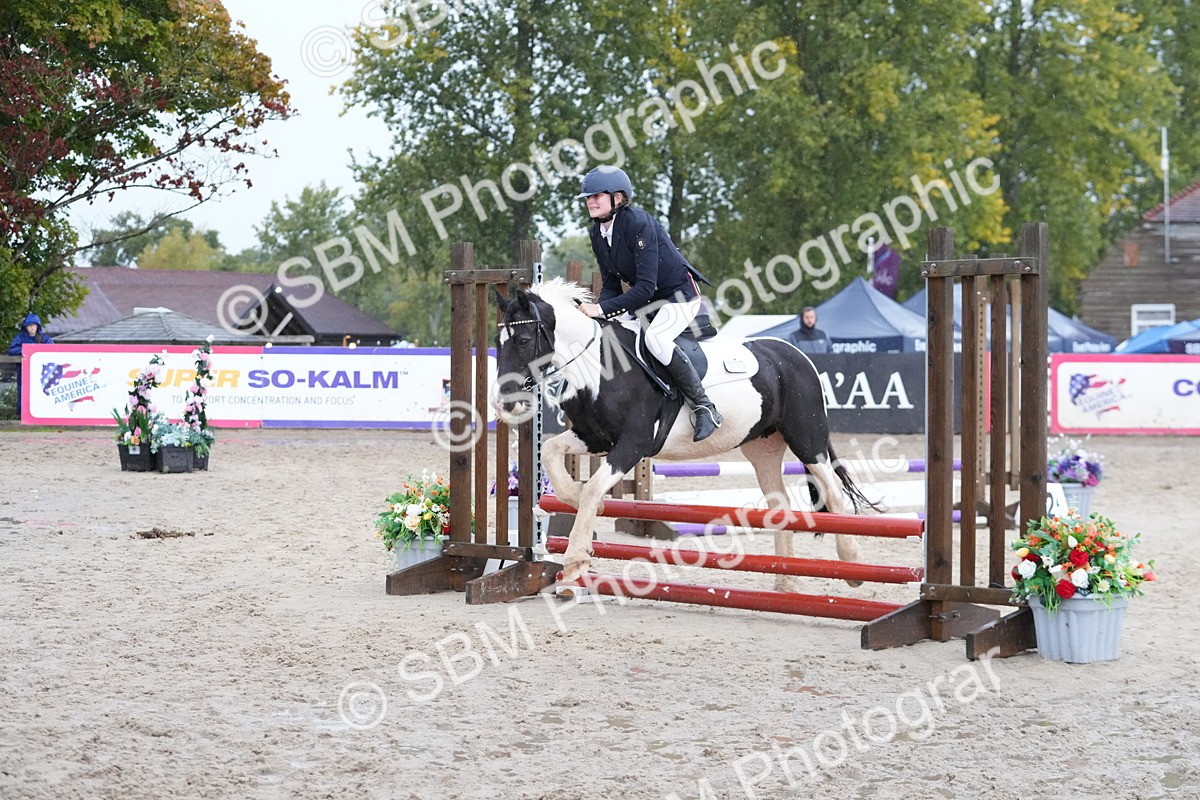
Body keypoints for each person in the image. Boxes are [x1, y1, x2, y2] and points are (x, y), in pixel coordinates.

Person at [574, 165, 722, 441]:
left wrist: (601, 308)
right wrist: (600, 317)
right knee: (610, 334)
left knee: (656, 339)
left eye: (596, 196)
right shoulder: (597, 233)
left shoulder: (638, 224)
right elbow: (610, 284)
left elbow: (644, 287)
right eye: (587, 198)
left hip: (678, 296)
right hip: (647, 300)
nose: (590, 202)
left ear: (618, 198)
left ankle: (704, 406)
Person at [7, 313, 53, 404]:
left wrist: (34, 349)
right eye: (29, 325)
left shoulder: (45, 338)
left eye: (34, 325)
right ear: (25, 327)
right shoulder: (20, 338)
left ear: (37, 326)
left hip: (41, 372)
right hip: (24, 371)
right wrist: (28, 349)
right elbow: (12, 350)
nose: (32, 327)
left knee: (41, 393)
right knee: (23, 393)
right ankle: (21, 412)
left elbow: (52, 349)